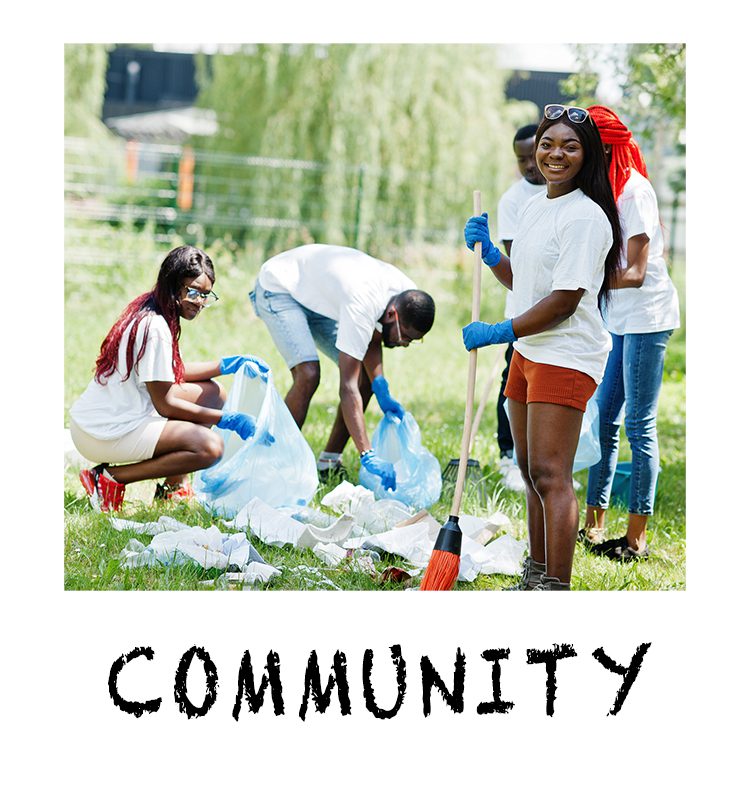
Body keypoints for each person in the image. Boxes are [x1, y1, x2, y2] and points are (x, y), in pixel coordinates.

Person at [463, 104, 623, 590]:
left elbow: (563, 302)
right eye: (547, 144)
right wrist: (493, 256)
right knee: (530, 470)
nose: (555, 154)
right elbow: (527, 285)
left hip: (565, 354)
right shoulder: (537, 204)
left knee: (552, 474)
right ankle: (534, 575)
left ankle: (556, 587)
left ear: (587, 154)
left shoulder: (587, 217)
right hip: (531, 352)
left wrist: (502, 331)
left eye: (569, 146)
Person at [70, 245, 262, 512]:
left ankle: (173, 488)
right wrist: (225, 419)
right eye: (193, 292)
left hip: (108, 419)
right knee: (210, 448)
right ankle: (108, 479)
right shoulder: (155, 327)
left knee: (213, 394)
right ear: (174, 285)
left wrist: (227, 365)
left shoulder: (154, 308)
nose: (199, 302)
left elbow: (171, 371)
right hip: (103, 432)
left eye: (206, 295)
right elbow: (166, 404)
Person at [250, 243, 435, 490]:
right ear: (393, 315)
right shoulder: (363, 302)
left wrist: (380, 385)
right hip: (281, 287)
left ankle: (328, 463)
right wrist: (366, 453)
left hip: (320, 299)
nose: (404, 344)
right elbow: (347, 388)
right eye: (405, 337)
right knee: (308, 374)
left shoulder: (406, 295)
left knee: (366, 380)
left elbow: (370, 336)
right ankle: (271, 462)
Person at [581, 105, 681, 560]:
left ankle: (635, 538)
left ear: (604, 146)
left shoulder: (634, 191)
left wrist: (584, 280)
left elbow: (637, 272)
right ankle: (593, 524)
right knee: (603, 417)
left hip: (648, 317)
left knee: (639, 424)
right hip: (620, 318)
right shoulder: (606, 188)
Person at [495, 124, 546, 483]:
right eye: (521, 159)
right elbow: (518, 262)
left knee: (545, 385)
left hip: (559, 313)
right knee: (513, 381)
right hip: (523, 308)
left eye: (532, 155)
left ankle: (542, 454)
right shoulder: (514, 200)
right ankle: (507, 451)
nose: (529, 165)